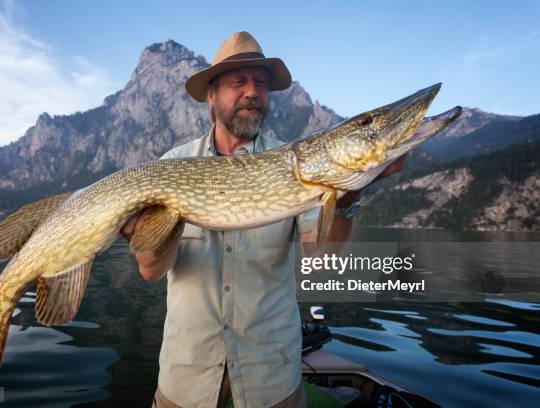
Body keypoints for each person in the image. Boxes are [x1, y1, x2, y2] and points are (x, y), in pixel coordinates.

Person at [120, 32, 405, 408]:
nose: (252, 91)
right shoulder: (171, 166)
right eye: (239, 82)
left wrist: (351, 192)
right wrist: (148, 235)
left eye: (262, 83)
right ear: (212, 95)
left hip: (271, 381)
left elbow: (320, 262)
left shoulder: (297, 165)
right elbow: (152, 271)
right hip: (185, 380)